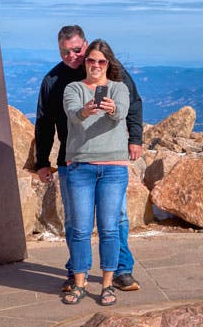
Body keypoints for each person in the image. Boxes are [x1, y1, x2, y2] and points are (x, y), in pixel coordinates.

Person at [33, 26, 144, 293]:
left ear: (85, 45)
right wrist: (42, 161)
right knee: (75, 221)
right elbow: (44, 122)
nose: (71, 56)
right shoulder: (54, 80)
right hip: (72, 158)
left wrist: (135, 138)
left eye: (76, 50)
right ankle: (76, 271)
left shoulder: (110, 71)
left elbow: (133, 103)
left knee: (116, 218)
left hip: (110, 158)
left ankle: (122, 270)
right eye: (64, 52)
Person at [58, 39, 131, 304]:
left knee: (110, 228)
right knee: (80, 228)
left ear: (108, 64)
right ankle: (79, 283)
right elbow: (73, 114)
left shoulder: (119, 88)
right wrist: (87, 110)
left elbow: (122, 112)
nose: (96, 66)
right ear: (85, 63)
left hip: (113, 168)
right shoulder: (73, 88)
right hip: (80, 166)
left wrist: (112, 109)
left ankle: (108, 285)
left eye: (101, 61)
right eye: (91, 60)